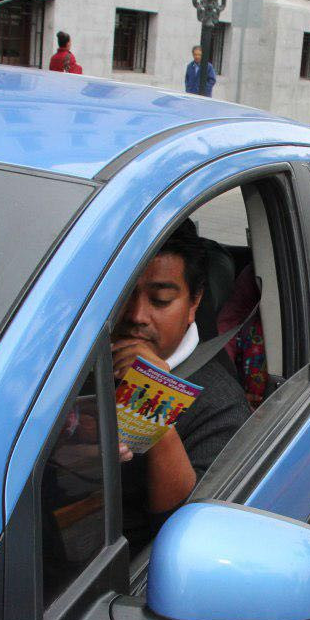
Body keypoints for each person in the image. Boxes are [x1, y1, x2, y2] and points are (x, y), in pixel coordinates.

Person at [113, 220, 251, 549]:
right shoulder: (69, 354)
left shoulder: (221, 405)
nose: (137, 315)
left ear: (193, 304)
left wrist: (154, 403)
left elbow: (186, 537)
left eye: (159, 301)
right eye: (123, 295)